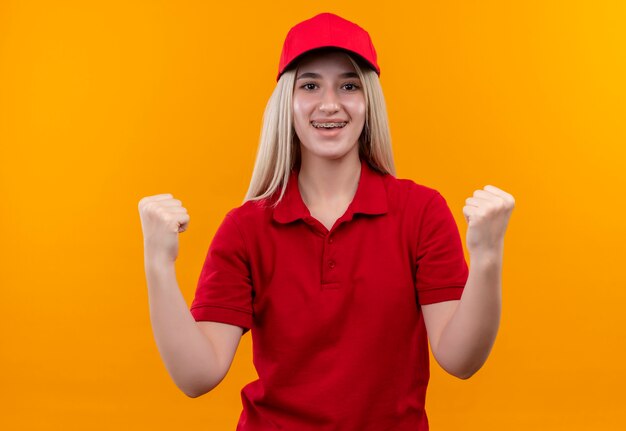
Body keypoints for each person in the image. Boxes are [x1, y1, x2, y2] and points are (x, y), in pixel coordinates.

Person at [138, 12, 515, 431]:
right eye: (310, 85)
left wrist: (486, 258)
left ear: (369, 101)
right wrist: (157, 263)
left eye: (349, 85)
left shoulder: (421, 211)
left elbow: (460, 360)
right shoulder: (246, 229)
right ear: (288, 102)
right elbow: (197, 375)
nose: (330, 103)